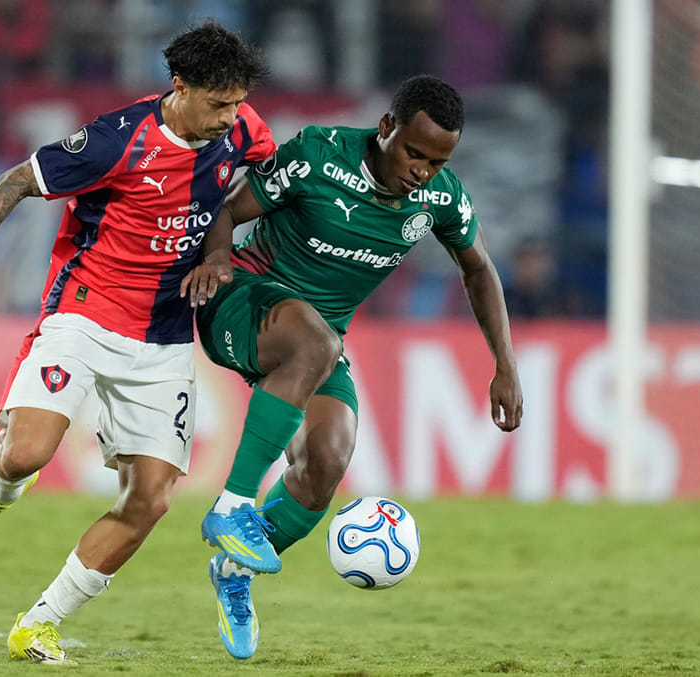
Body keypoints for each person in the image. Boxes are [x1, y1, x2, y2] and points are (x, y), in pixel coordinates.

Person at [0, 20, 274, 663]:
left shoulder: (242, 130)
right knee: (27, 454)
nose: (231, 117)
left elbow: (261, 186)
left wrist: (226, 254)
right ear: (180, 86)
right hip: (84, 315)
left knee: (151, 498)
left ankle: (39, 623)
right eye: (218, 104)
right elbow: (17, 181)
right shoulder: (116, 140)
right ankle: (1, 490)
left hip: (163, 338)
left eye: (238, 102)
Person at [180, 74, 523, 659]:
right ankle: (233, 506)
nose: (423, 170)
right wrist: (215, 259)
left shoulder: (439, 199)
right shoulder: (319, 154)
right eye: (415, 152)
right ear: (387, 127)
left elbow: (479, 269)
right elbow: (227, 209)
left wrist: (505, 365)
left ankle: (234, 575)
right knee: (318, 344)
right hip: (241, 301)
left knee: (325, 465)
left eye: (437, 161)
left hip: (316, 342)